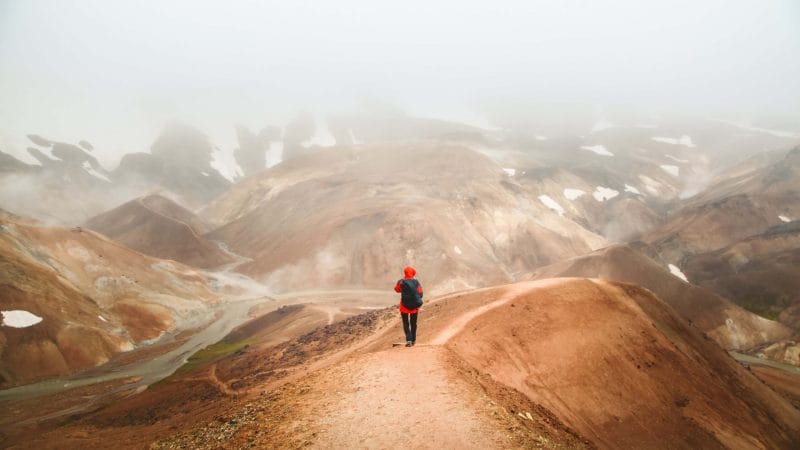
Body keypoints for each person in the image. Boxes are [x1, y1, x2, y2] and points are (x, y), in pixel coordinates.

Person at [394, 266, 423, 347]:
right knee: (413, 323)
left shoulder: (401, 282)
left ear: (405, 273)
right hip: (414, 307)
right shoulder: (416, 282)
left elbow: (396, 289)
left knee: (405, 323)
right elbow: (421, 293)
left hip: (404, 306)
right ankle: (413, 340)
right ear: (413, 273)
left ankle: (408, 340)